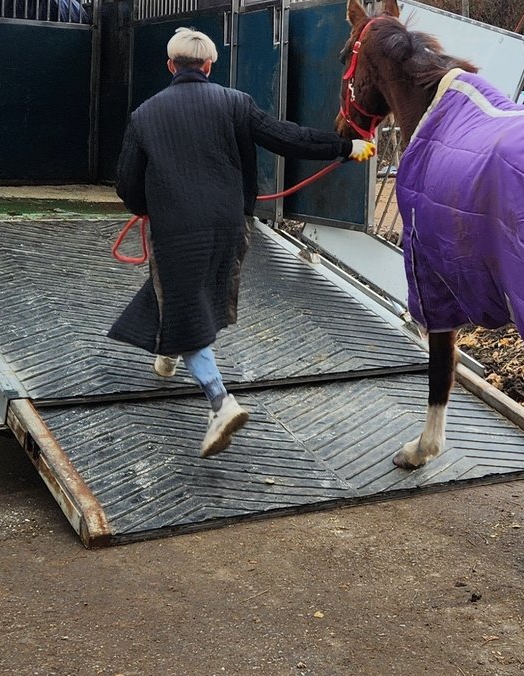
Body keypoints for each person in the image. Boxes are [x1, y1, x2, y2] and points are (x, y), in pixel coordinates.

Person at [109, 27, 375, 458]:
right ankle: (168, 357)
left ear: (170, 66)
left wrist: (146, 206)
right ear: (210, 66)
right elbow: (288, 137)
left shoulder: (145, 115)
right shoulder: (236, 103)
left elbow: (127, 184)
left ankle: (220, 402)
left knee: (185, 302)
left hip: (178, 229)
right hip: (231, 225)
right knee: (181, 292)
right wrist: (346, 147)